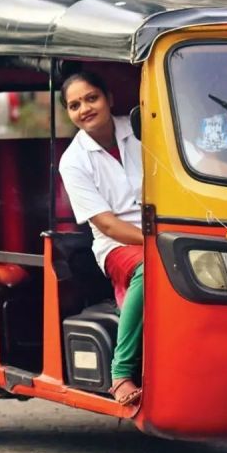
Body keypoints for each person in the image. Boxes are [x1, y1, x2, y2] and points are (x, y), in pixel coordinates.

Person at [57, 71, 144, 406]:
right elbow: (107, 225)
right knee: (152, 269)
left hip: (170, 230)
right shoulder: (73, 161)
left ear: (108, 97)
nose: (85, 109)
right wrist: (154, 242)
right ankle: (121, 372)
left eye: (91, 98)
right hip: (118, 246)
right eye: (74, 105)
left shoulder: (142, 129)